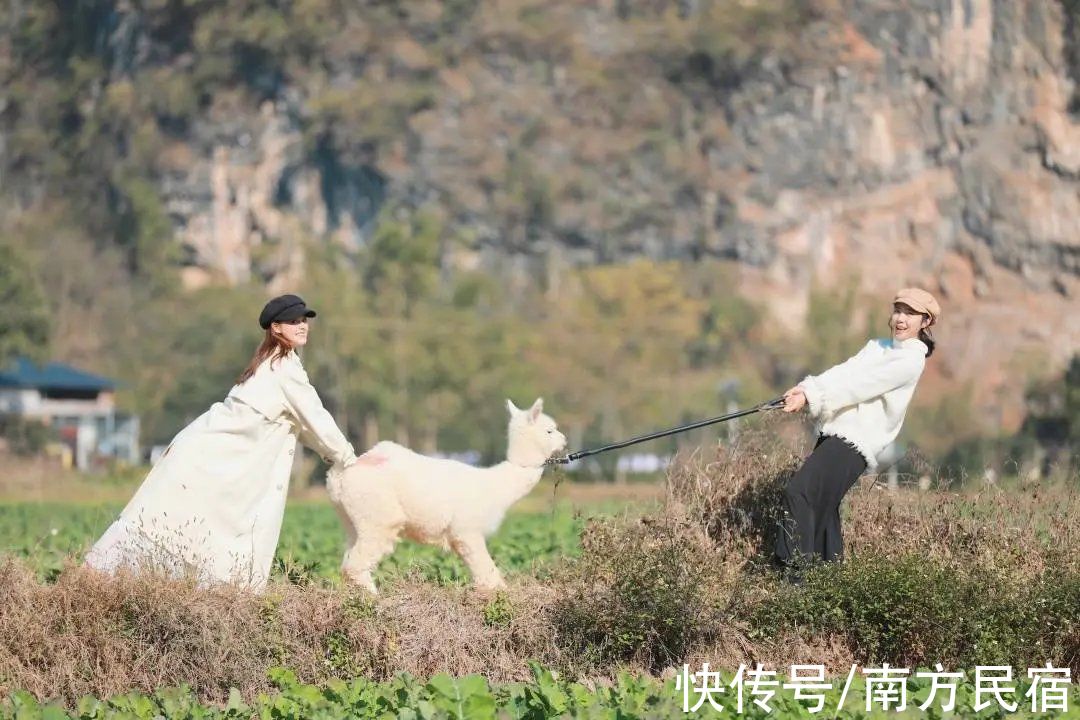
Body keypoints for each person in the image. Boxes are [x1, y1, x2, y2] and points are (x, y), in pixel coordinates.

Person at [84, 294, 369, 591]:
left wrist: (338, 458)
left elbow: (304, 426)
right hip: (212, 457)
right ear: (276, 328)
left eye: (304, 320)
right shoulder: (284, 367)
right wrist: (350, 460)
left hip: (213, 456)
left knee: (182, 524)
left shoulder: (275, 362)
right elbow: (316, 418)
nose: (302, 326)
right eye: (294, 321)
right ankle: (93, 586)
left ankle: (105, 585)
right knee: (165, 521)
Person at [774, 287, 941, 578]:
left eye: (910, 314)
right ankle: (829, 587)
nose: (901, 319)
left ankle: (794, 578)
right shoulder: (877, 347)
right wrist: (806, 388)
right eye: (898, 310)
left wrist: (812, 398)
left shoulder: (911, 360)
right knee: (823, 513)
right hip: (834, 435)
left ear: (925, 322)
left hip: (854, 444)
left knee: (799, 493)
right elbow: (843, 373)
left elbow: (859, 385)